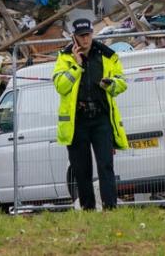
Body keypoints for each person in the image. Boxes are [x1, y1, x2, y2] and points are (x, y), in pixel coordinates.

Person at [53, 18, 128, 210]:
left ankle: (110, 208)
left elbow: (122, 83)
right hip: (77, 121)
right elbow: (61, 87)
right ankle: (88, 208)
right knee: (81, 169)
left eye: (88, 35)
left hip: (101, 119)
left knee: (106, 166)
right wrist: (77, 67)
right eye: (81, 36)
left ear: (92, 34)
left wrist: (111, 84)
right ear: (74, 37)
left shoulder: (107, 56)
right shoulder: (64, 57)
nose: (85, 40)